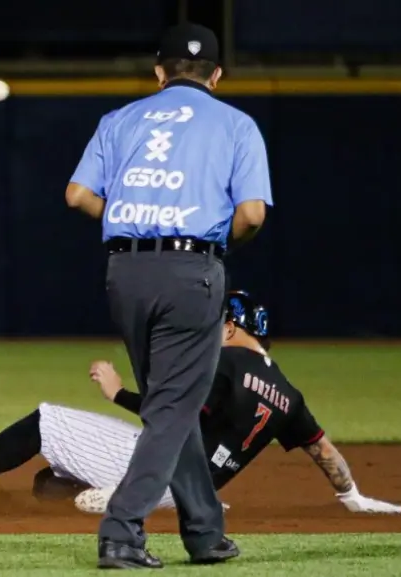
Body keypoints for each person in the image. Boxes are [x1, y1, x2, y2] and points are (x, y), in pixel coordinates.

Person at [0, 290, 401, 517]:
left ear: (230, 327)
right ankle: (103, 494)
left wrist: (117, 392)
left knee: (46, 420)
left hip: (160, 469)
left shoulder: (223, 361)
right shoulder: (288, 393)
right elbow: (324, 453)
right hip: (194, 493)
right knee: (49, 484)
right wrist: (353, 497)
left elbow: (170, 408)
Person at [63, 21, 272, 568]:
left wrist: (138, 222)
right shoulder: (236, 124)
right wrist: (215, 244)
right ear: (217, 75)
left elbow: (77, 195)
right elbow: (251, 214)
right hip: (191, 272)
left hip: (125, 272)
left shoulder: (120, 118)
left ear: (160, 72)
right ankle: (121, 531)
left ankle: (205, 532)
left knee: (167, 406)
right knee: (173, 410)